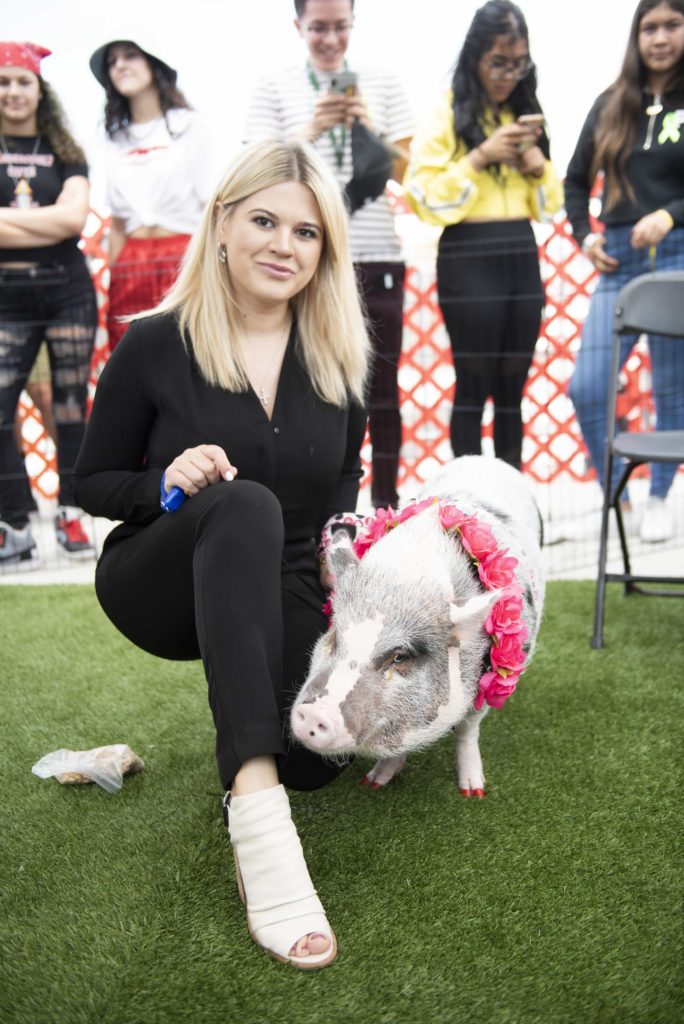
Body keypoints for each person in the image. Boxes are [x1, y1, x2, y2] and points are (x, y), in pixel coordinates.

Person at [73, 139, 370, 969]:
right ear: (224, 224)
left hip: (284, 579)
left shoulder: (341, 354)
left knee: (317, 757)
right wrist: (164, 481)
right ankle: (258, 821)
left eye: (306, 233)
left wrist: (340, 550)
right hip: (162, 573)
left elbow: (344, 478)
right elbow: (89, 480)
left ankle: (270, 769)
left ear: (325, 251)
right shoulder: (155, 343)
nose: (283, 246)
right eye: (264, 221)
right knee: (242, 501)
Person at [244, 0, 413, 509]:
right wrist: (310, 131)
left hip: (375, 252)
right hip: (301, 257)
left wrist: (370, 130)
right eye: (319, 28)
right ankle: (311, 509)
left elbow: (406, 173)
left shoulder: (384, 83)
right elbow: (253, 173)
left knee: (381, 390)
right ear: (298, 25)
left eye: (341, 26)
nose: (331, 39)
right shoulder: (273, 87)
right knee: (303, 385)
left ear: (354, 22)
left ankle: (384, 507)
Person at [404, 0, 563, 470]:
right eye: (498, 62)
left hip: (519, 251)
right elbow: (422, 197)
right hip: (468, 254)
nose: (508, 75)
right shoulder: (447, 110)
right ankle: (469, 496)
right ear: (475, 55)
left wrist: (537, 167)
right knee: (472, 382)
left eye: (518, 64)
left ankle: (511, 492)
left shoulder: (525, 110)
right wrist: (480, 157)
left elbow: (550, 204)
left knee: (513, 387)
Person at [566, 0, 684, 543]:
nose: (660, 38)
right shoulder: (610, 103)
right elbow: (574, 181)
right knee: (587, 386)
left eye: (672, 25)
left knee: (671, 388)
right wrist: (584, 236)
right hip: (617, 260)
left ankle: (659, 498)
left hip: (677, 256)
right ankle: (617, 495)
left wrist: (670, 215)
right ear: (636, 36)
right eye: (649, 27)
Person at [0, 41, 96, 567]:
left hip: (66, 290)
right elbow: (59, 219)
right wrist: (49, 221)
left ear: (40, 90)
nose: (13, 91)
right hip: (6, 296)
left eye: (23, 81)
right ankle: (13, 525)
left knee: (69, 406)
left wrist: (9, 222)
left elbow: (74, 219)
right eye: (3, 82)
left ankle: (72, 513)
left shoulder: (64, 147)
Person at [89, 34, 214, 351]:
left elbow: (213, 207)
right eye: (112, 62)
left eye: (130, 55)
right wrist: (114, 274)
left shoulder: (192, 126)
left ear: (154, 63)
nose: (120, 66)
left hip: (186, 256)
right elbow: (118, 223)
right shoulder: (113, 139)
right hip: (131, 264)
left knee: (192, 351)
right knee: (131, 356)